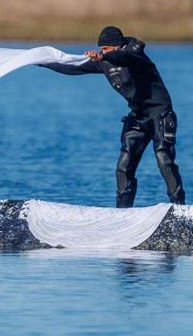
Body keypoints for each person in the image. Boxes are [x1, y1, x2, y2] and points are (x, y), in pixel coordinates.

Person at [40, 26, 185, 208]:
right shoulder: (104, 60)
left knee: (164, 159)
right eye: (101, 50)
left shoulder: (136, 55)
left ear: (117, 46)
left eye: (106, 49)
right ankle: (122, 213)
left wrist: (104, 56)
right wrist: (41, 62)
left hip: (160, 115)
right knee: (123, 167)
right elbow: (72, 68)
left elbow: (124, 58)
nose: (103, 52)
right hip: (138, 117)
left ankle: (179, 207)